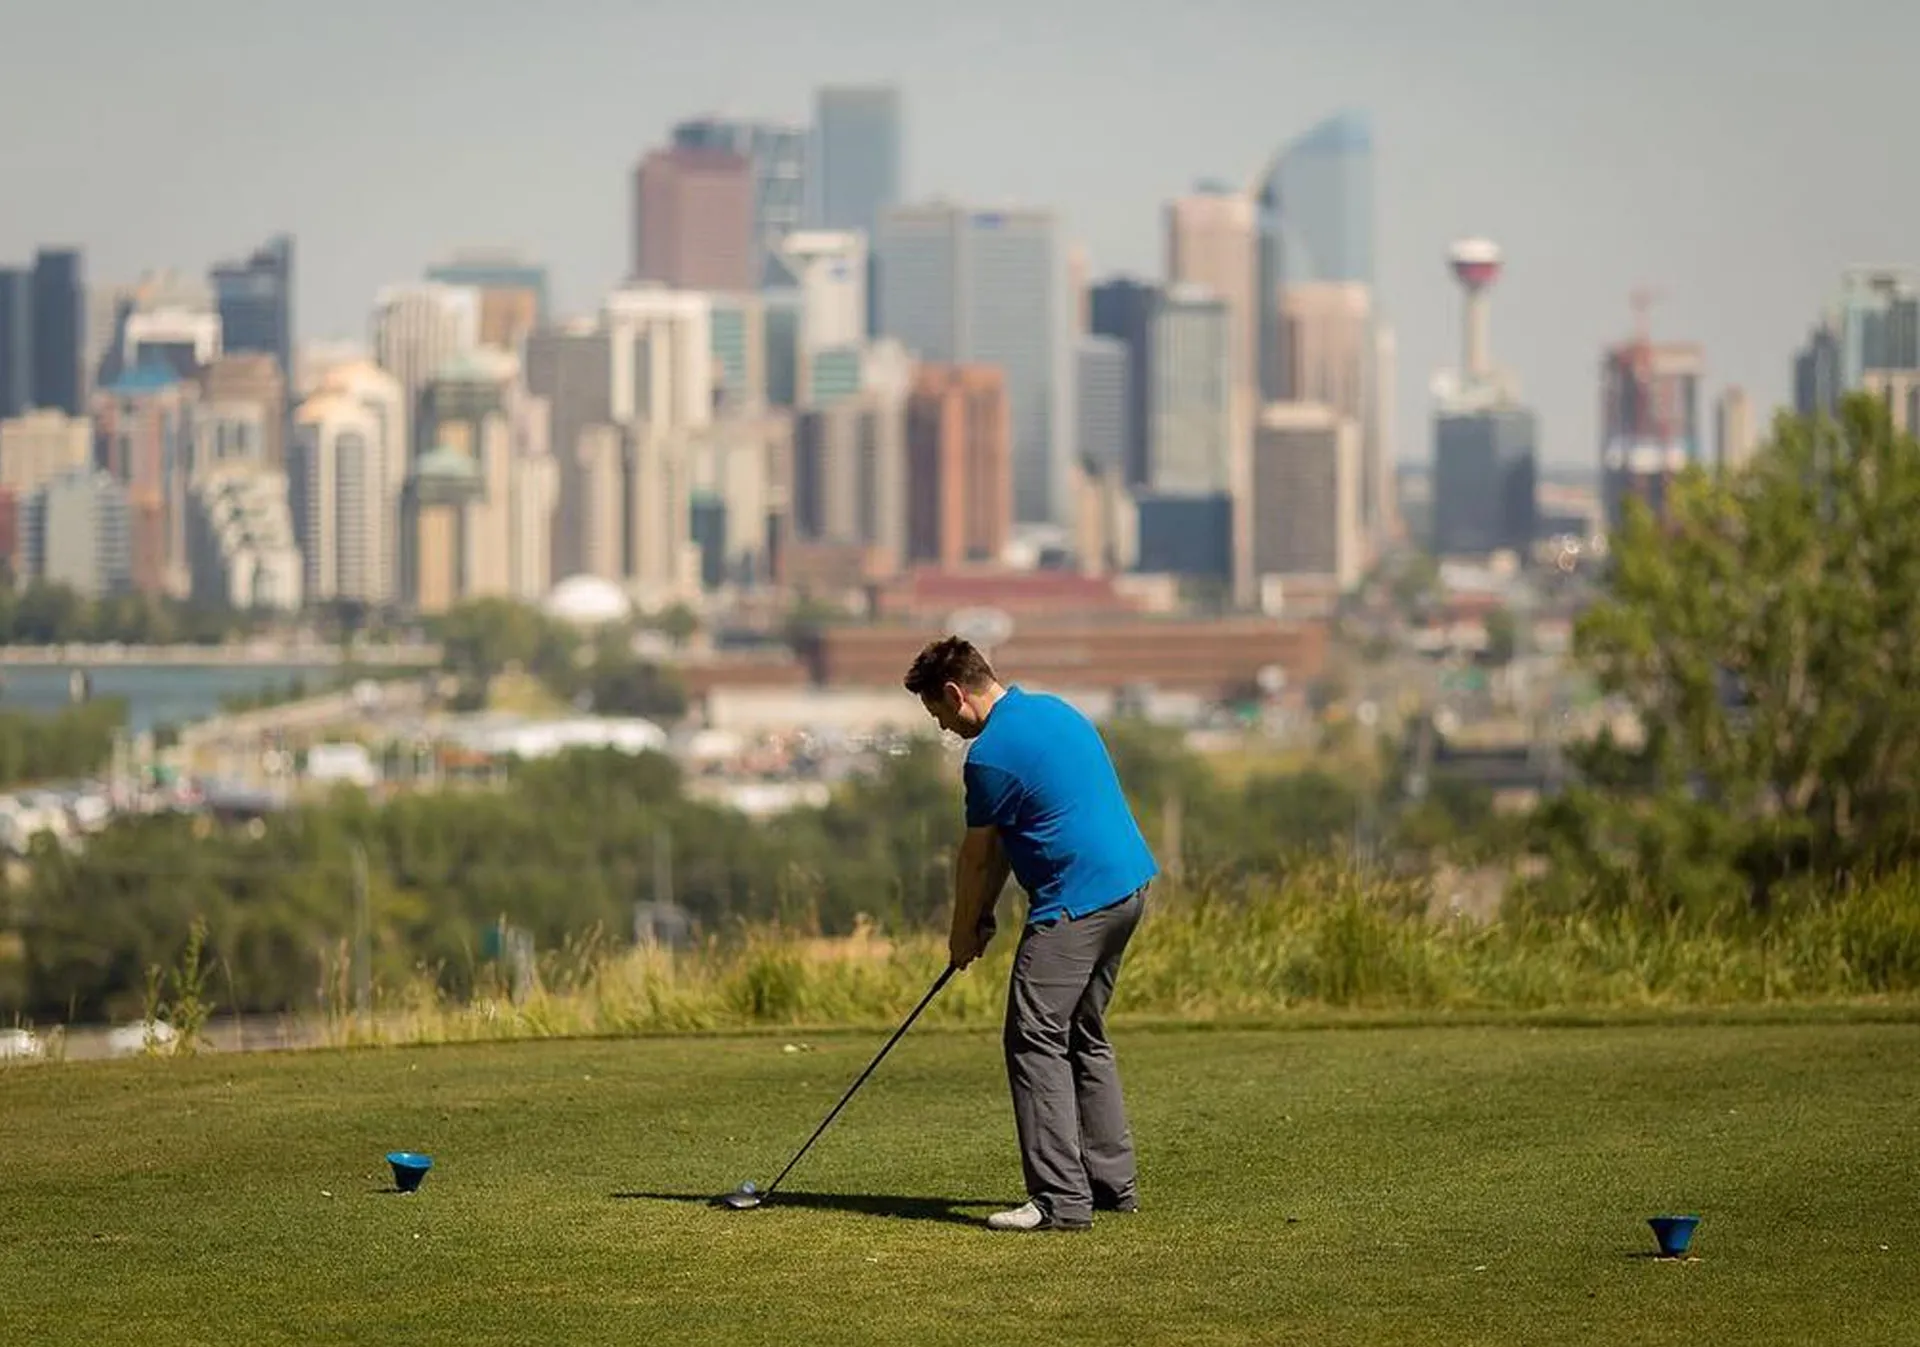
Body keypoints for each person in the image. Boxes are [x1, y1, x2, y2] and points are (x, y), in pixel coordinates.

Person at [902, 636, 1158, 1233]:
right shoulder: (1053, 710)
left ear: (954, 693)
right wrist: (984, 914)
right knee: (1082, 1034)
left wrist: (963, 931)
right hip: (1128, 890)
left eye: (939, 715)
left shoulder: (989, 755)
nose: (943, 728)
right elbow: (1012, 844)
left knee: (1034, 1036)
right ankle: (1108, 1186)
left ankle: (1060, 1202)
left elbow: (977, 858)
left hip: (1076, 904)